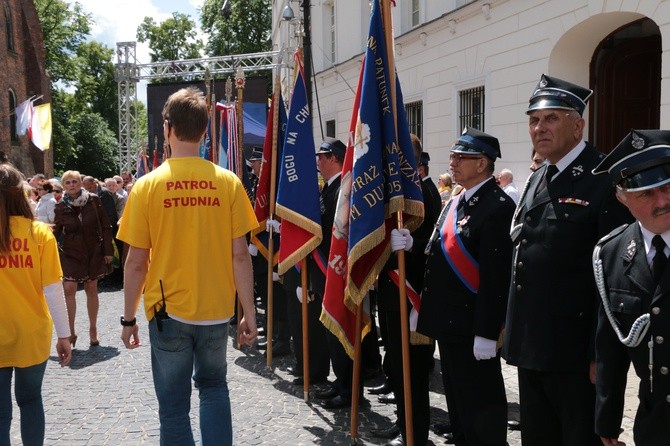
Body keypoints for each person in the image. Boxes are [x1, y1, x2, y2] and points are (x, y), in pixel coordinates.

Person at [117, 87, 258, 445]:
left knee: (174, 408)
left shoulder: (146, 186)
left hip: (168, 312)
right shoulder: (228, 183)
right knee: (214, 389)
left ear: (167, 129)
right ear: (205, 131)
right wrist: (249, 314)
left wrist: (129, 318)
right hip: (215, 310)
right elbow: (240, 255)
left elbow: (135, 263)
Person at [503, 74, 633, 446]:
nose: (539, 128)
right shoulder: (539, 176)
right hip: (533, 344)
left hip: (575, 354)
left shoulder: (605, 179)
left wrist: (600, 355)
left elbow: (613, 279)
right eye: (534, 120)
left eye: (551, 118)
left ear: (578, 125)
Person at [408, 127, 513, 445]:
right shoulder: (459, 201)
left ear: (482, 164)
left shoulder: (497, 206)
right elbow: (439, 258)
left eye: (461, 157)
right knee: (460, 407)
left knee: (483, 408)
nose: (452, 162)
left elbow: (496, 278)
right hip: (450, 324)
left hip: (472, 327)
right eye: (452, 156)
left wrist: (486, 332)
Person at [592, 129, 670, 446]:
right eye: (646, 194)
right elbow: (610, 346)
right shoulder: (611, 254)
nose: (662, 200)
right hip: (655, 423)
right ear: (622, 198)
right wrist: (607, 420)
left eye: (667, 187)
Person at [375, 134, 441, 446]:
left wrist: (413, 246)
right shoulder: (395, 194)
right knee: (398, 366)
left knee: (412, 371)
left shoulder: (425, 192)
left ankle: (416, 432)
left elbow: (433, 246)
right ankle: (404, 423)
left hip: (412, 294)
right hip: (391, 290)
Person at [0, 163, 72, 446]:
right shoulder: (39, 234)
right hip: (32, 332)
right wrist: (64, 335)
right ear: (22, 195)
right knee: (30, 401)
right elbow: (53, 289)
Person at [53, 170, 114, 348]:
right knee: (69, 289)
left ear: (80, 183)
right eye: (68, 182)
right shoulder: (60, 207)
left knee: (91, 288)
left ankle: (93, 329)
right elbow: (56, 232)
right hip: (71, 252)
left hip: (93, 250)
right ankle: (70, 332)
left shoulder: (94, 200)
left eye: (74, 181)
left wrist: (107, 251)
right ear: (63, 186)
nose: (71, 185)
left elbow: (105, 226)